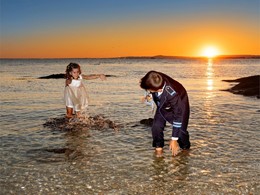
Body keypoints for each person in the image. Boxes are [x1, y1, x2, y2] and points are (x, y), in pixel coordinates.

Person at [140, 70, 191, 157]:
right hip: (163, 103)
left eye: (150, 90)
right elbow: (150, 86)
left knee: (180, 131)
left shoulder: (172, 94)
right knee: (156, 126)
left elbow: (178, 115)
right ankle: (158, 148)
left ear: (159, 89)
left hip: (181, 100)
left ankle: (185, 149)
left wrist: (174, 139)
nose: (148, 90)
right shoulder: (154, 76)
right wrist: (150, 96)